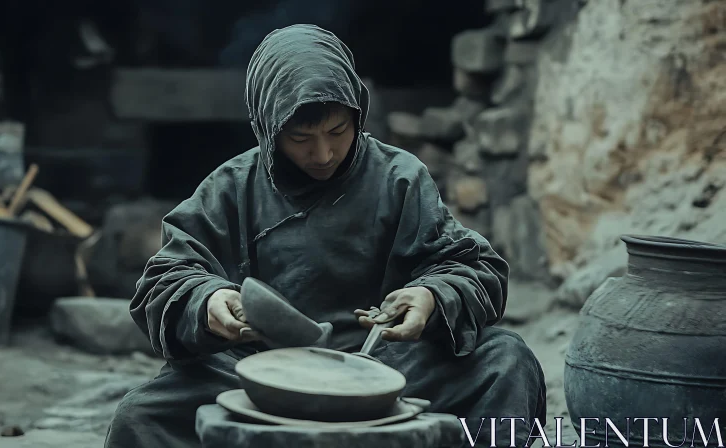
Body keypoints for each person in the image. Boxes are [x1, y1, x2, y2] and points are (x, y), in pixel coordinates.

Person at [104, 24, 546, 448]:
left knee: (504, 360)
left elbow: (471, 266)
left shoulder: (399, 178)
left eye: (338, 131)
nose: (323, 154)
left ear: (359, 111)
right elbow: (168, 277)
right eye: (300, 138)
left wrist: (431, 297)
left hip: (385, 371)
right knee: (141, 416)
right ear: (268, 127)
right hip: (259, 376)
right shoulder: (231, 187)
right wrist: (208, 303)